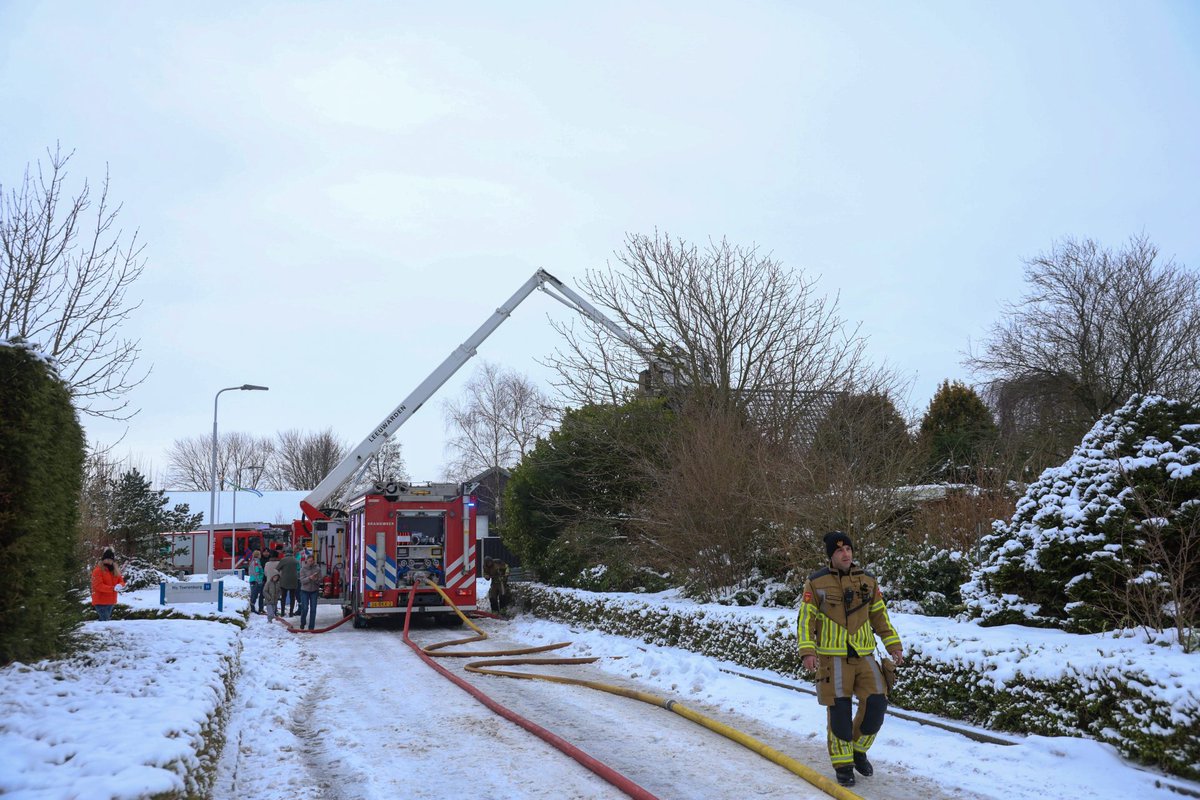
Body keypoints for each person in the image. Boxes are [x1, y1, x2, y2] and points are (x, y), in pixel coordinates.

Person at [797, 531, 904, 788]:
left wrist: (894, 645)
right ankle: (843, 766)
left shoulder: (868, 580)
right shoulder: (816, 582)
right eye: (839, 550)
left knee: (877, 703)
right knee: (840, 714)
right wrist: (808, 650)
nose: (846, 554)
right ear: (831, 556)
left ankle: (857, 751)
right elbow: (805, 620)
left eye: (848, 549)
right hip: (832, 658)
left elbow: (879, 615)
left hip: (864, 653)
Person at [90, 547, 126, 621]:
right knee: (105, 620)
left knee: (105, 620)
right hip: (100, 601)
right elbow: (98, 586)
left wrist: (120, 585)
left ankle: (100, 632)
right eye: (107, 559)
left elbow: (121, 581)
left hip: (111, 601)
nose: (109, 561)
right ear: (103, 560)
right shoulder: (98, 570)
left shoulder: (115, 570)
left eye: (110, 560)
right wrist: (112, 589)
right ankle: (100, 632)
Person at [297, 555, 321, 631]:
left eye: (312, 561)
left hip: (314, 590)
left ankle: (311, 627)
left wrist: (315, 579)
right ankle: (303, 622)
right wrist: (309, 578)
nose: (311, 562)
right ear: (306, 561)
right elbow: (302, 581)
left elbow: (320, 580)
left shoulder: (317, 569)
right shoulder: (303, 569)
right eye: (309, 561)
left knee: (313, 609)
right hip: (304, 591)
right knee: (305, 608)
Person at [278, 548, 300, 617]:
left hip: (284, 580)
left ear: (286, 553)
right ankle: (291, 612)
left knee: (283, 597)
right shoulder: (296, 560)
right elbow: (298, 569)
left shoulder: (283, 560)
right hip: (294, 580)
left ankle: (282, 612)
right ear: (292, 553)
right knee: (292, 597)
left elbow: (278, 568)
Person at [247, 549, 265, 614]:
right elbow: (257, 572)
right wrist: (259, 581)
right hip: (255, 581)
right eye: (260, 554)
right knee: (254, 594)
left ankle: (252, 607)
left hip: (253, 580)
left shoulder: (253, 561)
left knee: (254, 594)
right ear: (258, 555)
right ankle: (252, 608)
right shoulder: (256, 562)